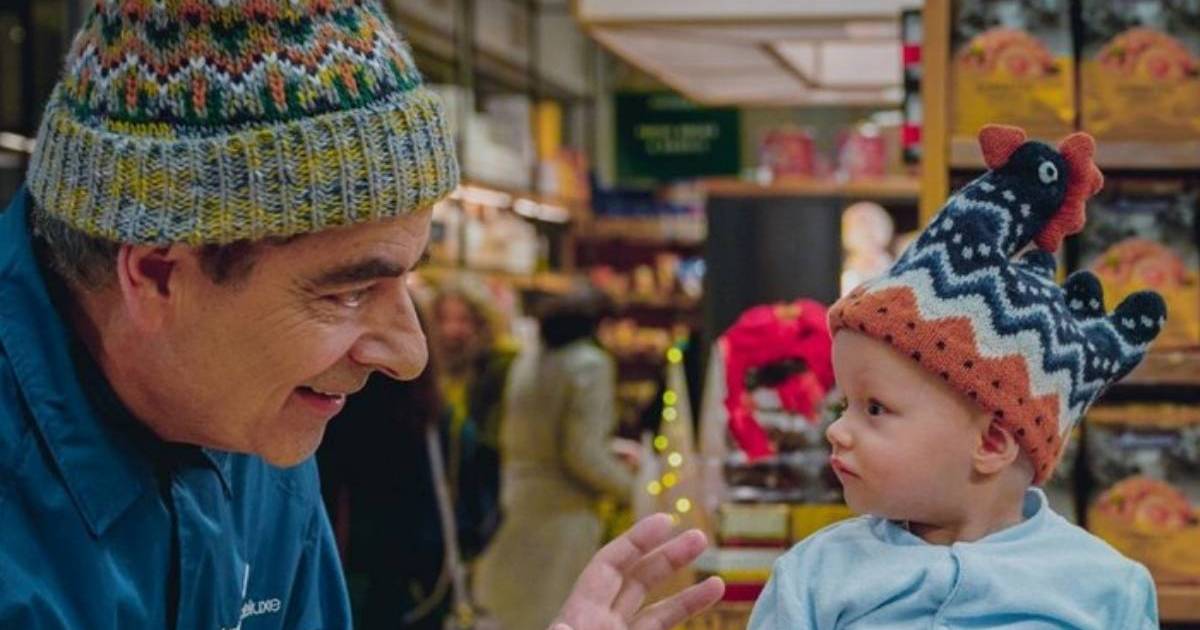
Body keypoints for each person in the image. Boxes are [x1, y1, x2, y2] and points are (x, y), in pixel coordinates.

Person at [0, 2, 722, 628]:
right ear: (159, 276)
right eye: (347, 292)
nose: (411, 354)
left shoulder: (257, 425)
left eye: (409, 277)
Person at [749, 125, 1165, 628]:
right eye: (845, 406)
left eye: (874, 408)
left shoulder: (1105, 589)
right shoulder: (814, 576)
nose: (836, 430)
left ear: (991, 442)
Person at [316, 307, 494, 630]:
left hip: (342, 579)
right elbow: (476, 513)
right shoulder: (442, 425)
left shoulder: (326, 421)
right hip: (418, 592)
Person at [475, 288, 640, 630]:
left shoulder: (528, 359)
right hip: (564, 517)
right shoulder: (591, 364)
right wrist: (634, 489)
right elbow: (582, 455)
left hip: (515, 507)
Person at [429, 285, 517, 539]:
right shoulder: (433, 368)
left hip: (477, 494)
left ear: (481, 322)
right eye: (443, 319)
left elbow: (492, 441)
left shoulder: (498, 366)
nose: (451, 330)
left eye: (463, 320)